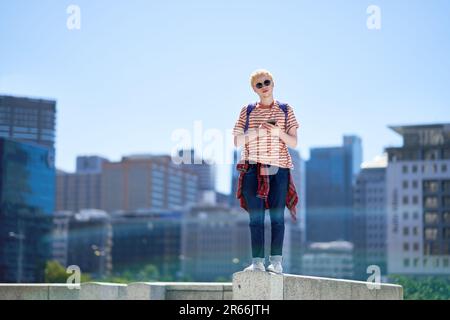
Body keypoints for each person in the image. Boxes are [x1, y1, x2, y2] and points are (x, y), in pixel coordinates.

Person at [232, 69, 300, 274]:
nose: (264, 87)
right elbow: (237, 140)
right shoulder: (248, 110)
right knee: (256, 218)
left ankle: (276, 262)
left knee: (278, 217)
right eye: (259, 85)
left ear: (273, 83)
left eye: (266, 82)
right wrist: (259, 131)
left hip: (279, 167)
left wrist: (278, 132)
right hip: (252, 167)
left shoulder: (286, 109)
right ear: (254, 89)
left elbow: (294, 142)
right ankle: (257, 262)